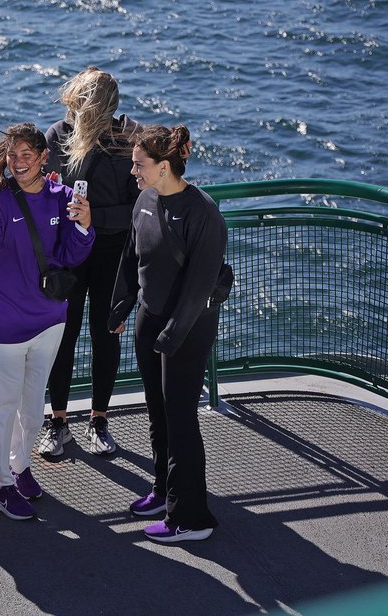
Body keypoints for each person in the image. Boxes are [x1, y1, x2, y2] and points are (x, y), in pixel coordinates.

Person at [0, 123, 94, 520]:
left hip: (48, 321)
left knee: (32, 409)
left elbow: (71, 256)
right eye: (12, 156)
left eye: (26, 156)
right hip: (0, 325)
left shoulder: (62, 197)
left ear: (43, 157)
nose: (18, 163)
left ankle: (19, 467)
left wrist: (84, 224)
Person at [108, 124, 225, 543]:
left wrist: (171, 336)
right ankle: (164, 490)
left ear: (164, 166)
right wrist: (121, 306)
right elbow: (131, 258)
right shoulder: (144, 200)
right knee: (157, 413)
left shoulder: (203, 212)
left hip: (186, 329)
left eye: (140, 165)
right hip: (150, 320)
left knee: (180, 420)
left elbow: (199, 286)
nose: (134, 172)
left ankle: (192, 517)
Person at [40, 66, 141, 458]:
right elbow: (45, 195)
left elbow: (138, 207)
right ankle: (59, 421)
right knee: (63, 336)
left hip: (111, 252)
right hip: (69, 252)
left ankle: (99, 418)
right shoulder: (57, 136)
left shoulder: (128, 140)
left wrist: (93, 216)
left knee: (106, 334)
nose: (81, 114)